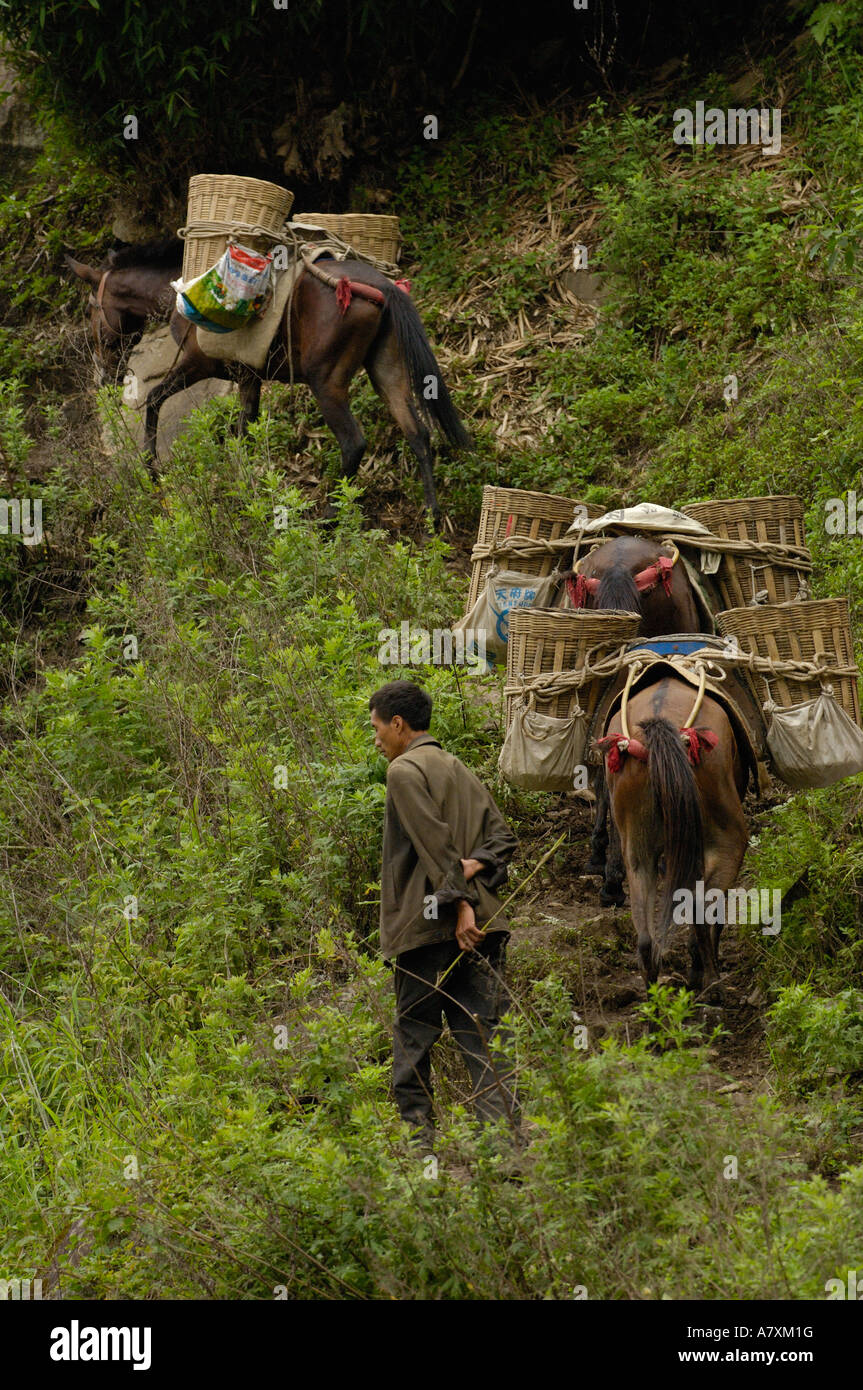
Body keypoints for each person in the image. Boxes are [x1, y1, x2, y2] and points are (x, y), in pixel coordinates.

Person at [369, 679, 520, 1152]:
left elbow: (434, 846)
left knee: (414, 1040)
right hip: (481, 931)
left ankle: (420, 1151)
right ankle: (504, 1151)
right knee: (484, 1038)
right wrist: (473, 870)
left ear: (398, 724)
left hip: (429, 929)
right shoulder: (459, 768)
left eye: (376, 729)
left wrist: (459, 904)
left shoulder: (402, 772)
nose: (375, 739)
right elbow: (502, 841)